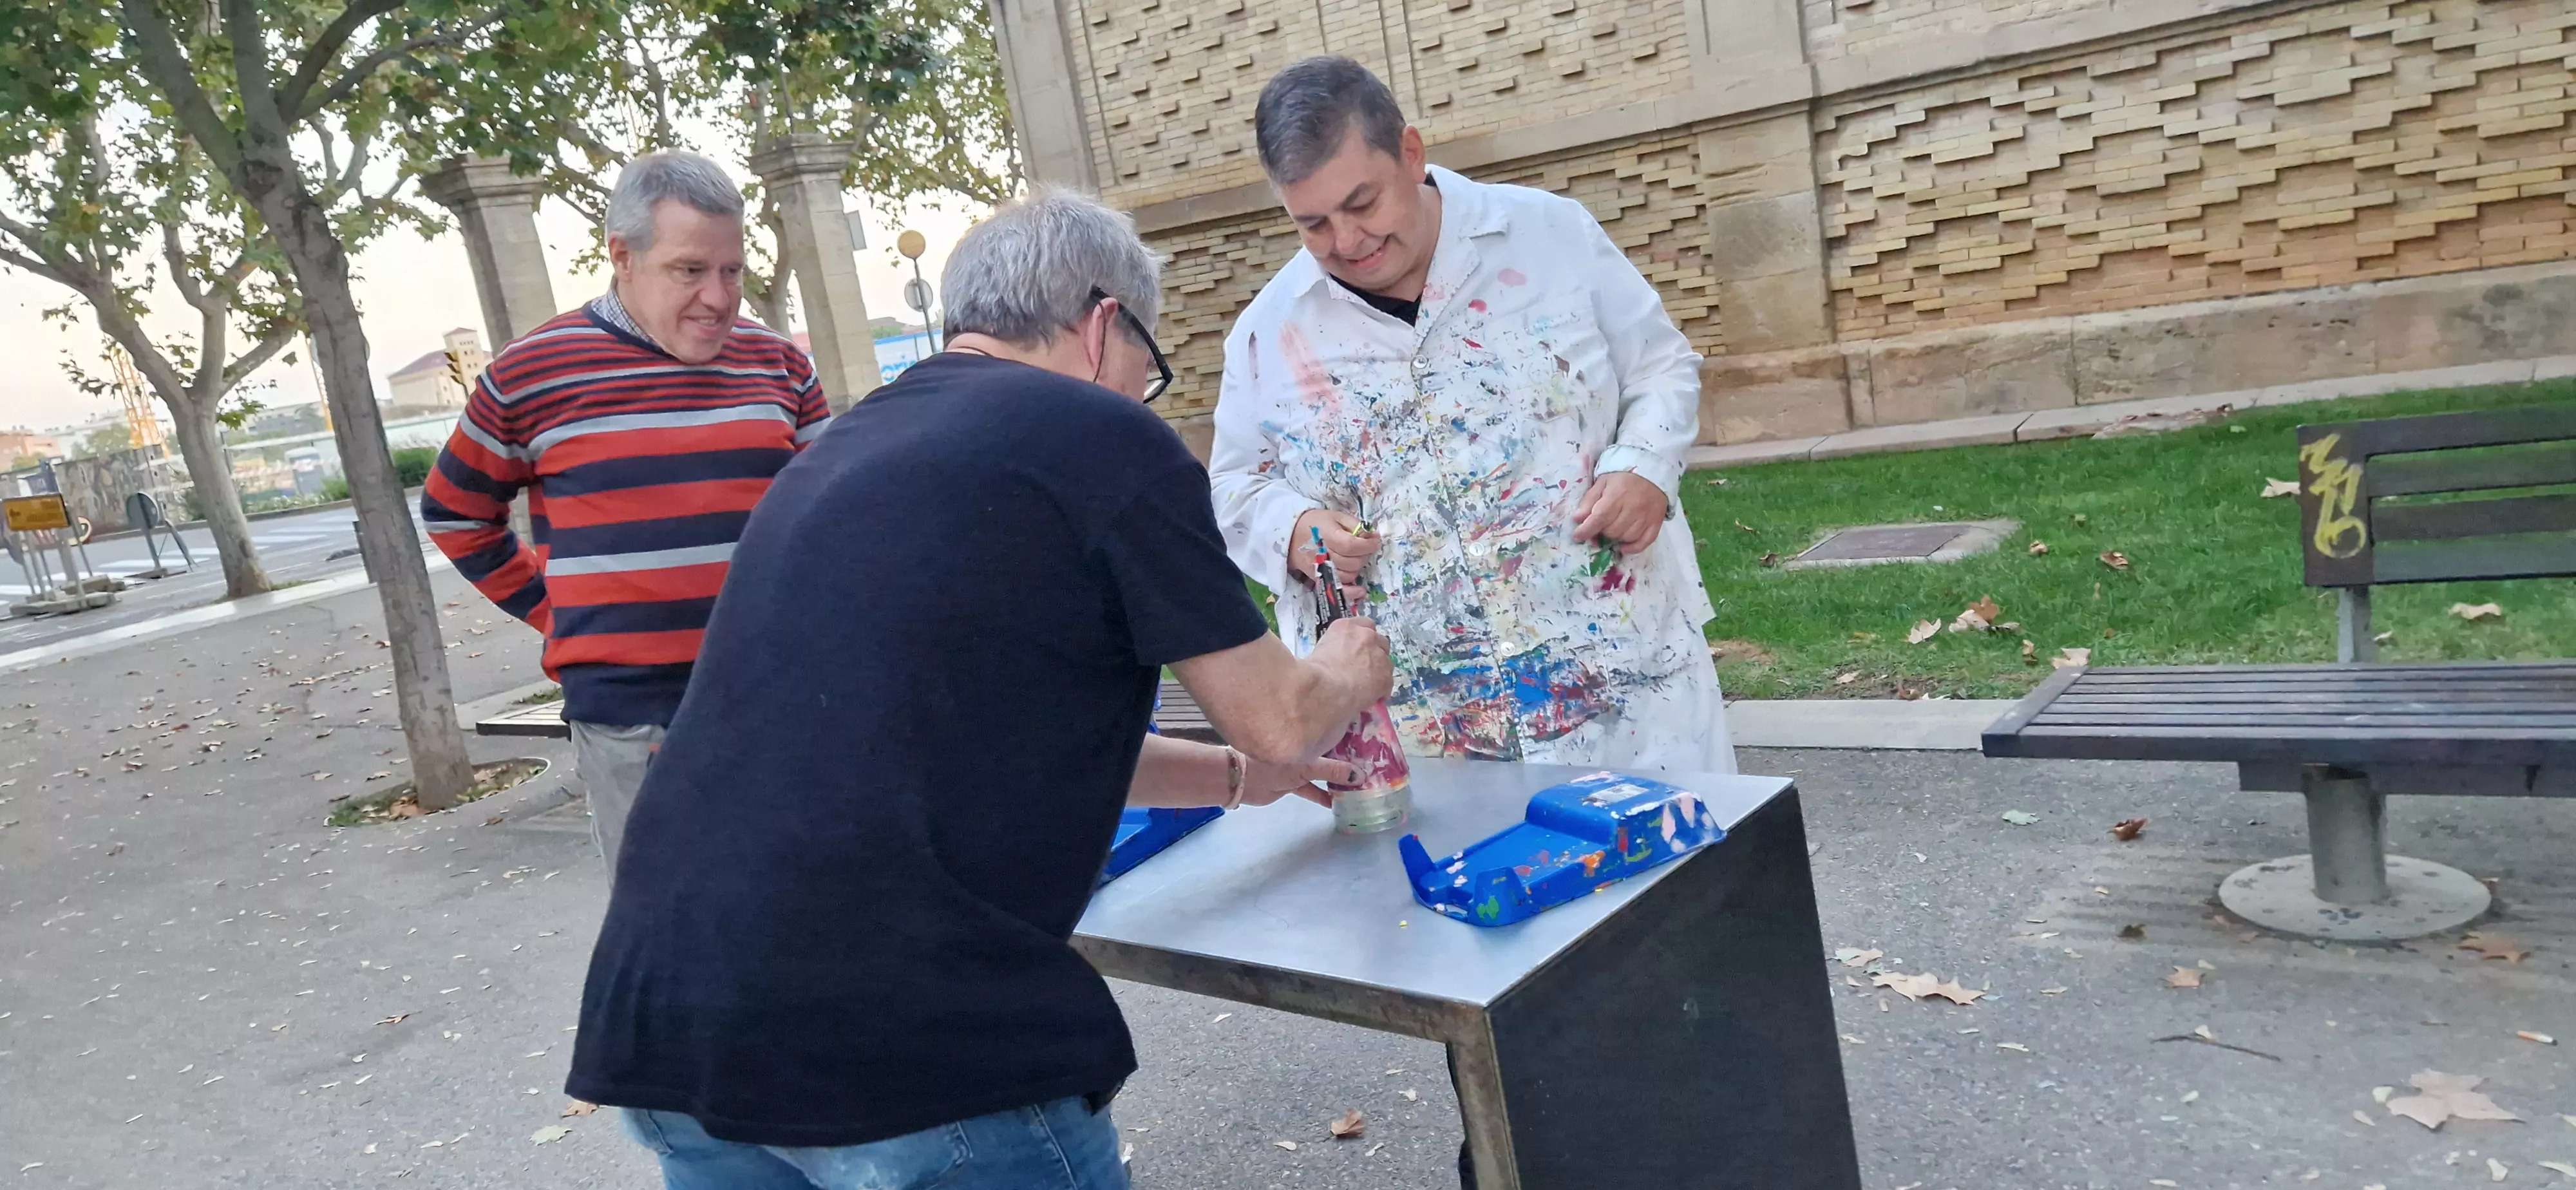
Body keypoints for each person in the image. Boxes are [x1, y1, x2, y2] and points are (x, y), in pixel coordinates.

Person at [564, 187, 1395, 1190]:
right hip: (896, 1040)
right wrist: (1348, 661)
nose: (1143, 392)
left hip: (671, 1015)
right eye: (1149, 365)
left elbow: (972, 732)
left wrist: (1237, 780)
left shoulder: (845, 449)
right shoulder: (1099, 435)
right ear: (1102, 327)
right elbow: (1281, 714)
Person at [1209, 56, 1737, 777]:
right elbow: (1234, 487)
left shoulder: (1550, 236)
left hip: (1621, 681)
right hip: (1421, 724)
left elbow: (1659, 366)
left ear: (1411, 154)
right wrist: (1291, 531)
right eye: (1313, 224)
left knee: (1676, 882)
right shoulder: (1268, 334)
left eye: (1362, 204)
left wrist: (1644, 463)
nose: (1346, 242)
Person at [420, 151, 828, 871]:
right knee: (668, 930)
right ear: (623, 257)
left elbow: (838, 514)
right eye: (690, 270)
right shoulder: (531, 373)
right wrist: (560, 613)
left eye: (731, 270)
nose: (718, 296)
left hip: (779, 694)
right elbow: (456, 514)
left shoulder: (781, 365)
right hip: (632, 714)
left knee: (798, 907)